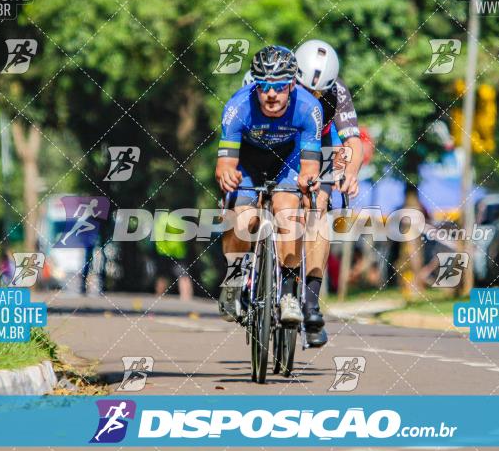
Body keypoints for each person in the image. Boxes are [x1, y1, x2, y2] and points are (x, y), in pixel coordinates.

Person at [216, 45, 323, 326]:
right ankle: (234, 278)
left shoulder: (309, 108)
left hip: (289, 160)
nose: (271, 93)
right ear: (255, 85)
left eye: (278, 86)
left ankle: (288, 293)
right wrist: (227, 176)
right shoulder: (238, 107)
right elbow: (225, 164)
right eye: (263, 85)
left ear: (291, 85)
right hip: (248, 163)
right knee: (243, 219)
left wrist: (306, 180)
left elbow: (310, 167)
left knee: (287, 210)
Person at [293, 39, 364, 347]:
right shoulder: (280, 85)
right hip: (282, 143)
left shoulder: (338, 92)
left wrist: (350, 173)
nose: (312, 97)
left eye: (318, 92)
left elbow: (353, 141)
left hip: (320, 147)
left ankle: (311, 302)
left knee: (319, 206)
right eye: (305, 90)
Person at [153, 211, 193, 301]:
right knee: (183, 276)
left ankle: (159, 297)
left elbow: (158, 234)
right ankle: (186, 298)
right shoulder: (180, 220)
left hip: (165, 251)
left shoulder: (162, 218)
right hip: (178, 252)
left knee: (162, 275)